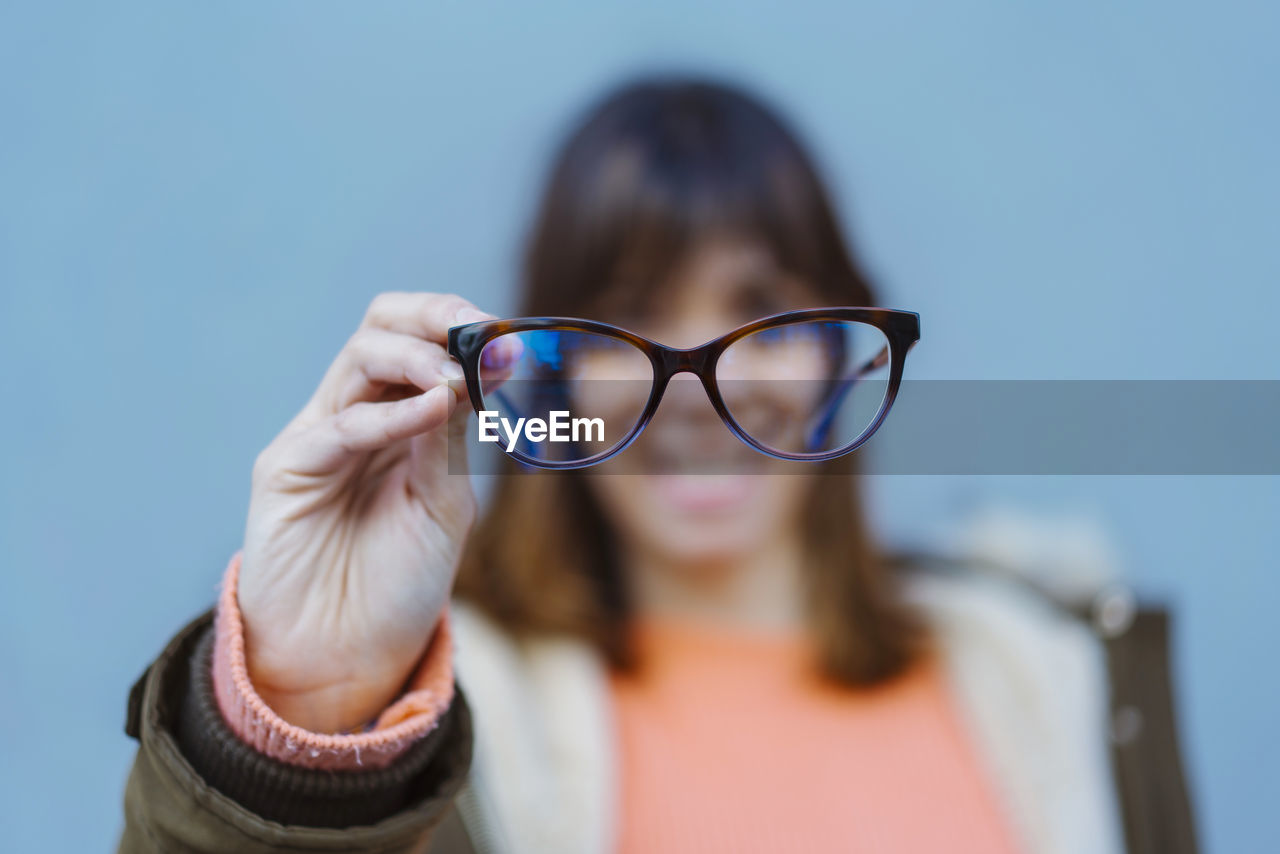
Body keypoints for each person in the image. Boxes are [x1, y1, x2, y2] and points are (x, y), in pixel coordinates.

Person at [117, 78, 1197, 854]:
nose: (690, 386)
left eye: (759, 312)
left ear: (841, 346)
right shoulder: (431, 728)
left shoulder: (1044, 669)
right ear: (544, 374)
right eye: (628, 317)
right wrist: (309, 718)